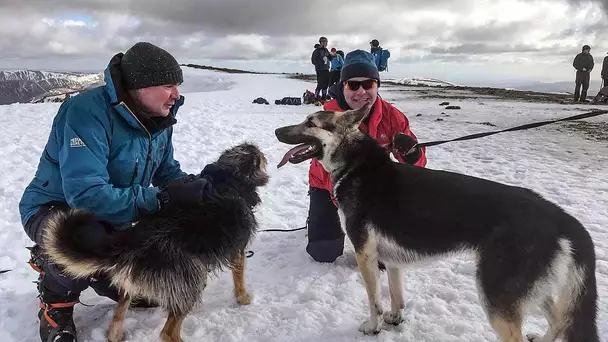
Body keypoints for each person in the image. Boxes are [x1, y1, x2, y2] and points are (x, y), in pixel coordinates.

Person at [19, 42, 215, 342]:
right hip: (55, 210)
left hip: (117, 212)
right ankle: (54, 301)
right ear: (140, 85)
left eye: (177, 85)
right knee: (85, 241)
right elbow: (85, 194)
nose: (176, 94)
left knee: (142, 282)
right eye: (168, 85)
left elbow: (166, 171)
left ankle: (104, 276)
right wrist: (160, 199)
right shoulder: (86, 112)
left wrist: (196, 188)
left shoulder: (160, 117)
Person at [306, 50, 427, 263]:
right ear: (342, 86)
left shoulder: (392, 117)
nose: (361, 91)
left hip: (373, 192)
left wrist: (412, 153)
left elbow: (418, 165)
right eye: (352, 85)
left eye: (368, 84)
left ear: (377, 86)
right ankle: (318, 219)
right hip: (328, 187)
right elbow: (323, 167)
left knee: (382, 259)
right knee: (323, 253)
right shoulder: (326, 116)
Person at [310, 36, 332, 101]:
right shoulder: (316, 51)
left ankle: (324, 97)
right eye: (324, 42)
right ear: (321, 43)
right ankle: (316, 97)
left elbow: (330, 58)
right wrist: (321, 61)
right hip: (319, 69)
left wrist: (330, 56)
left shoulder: (326, 50)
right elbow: (313, 61)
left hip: (326, 68)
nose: (325, 43)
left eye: (326, 42)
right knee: (320, 83)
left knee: (326, 83)